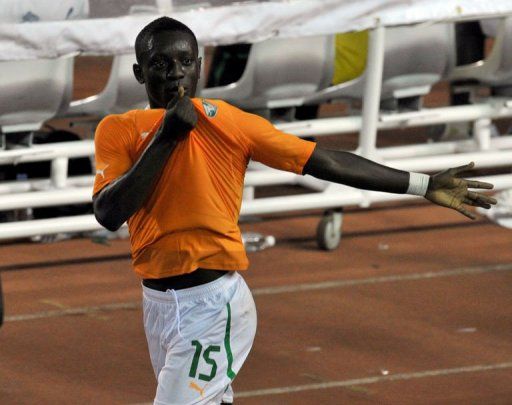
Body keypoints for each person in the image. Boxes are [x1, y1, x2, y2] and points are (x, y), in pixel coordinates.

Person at [92, 17, 497, 405]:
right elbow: (109, 212)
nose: (175, 73)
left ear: (199, 67)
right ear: (140, 73)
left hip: (213, 305)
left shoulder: (228, 124)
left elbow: (325, 161)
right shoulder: (119, 130)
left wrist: (422, 184)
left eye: (184, 62)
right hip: (158, 304)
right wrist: (167, 137)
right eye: (160, 64)